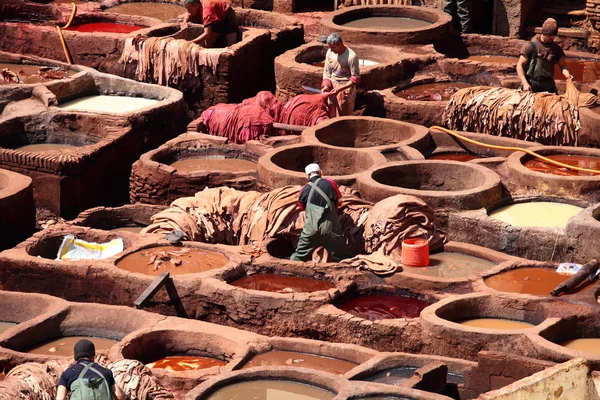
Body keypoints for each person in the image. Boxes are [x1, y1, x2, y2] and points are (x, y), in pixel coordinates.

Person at [290, 163, 352, 262]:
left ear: (307, 176)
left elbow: (302, 207)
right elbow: (339, 202)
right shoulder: (330, 183)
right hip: (330, 227)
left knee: (299, 256)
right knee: (342, 257)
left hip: (310, 228)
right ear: (320, 173)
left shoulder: (304, 189)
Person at [517, 18, 573, 94]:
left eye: (553, 35)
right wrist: (525, 83)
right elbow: (519, 65)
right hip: (531, 84)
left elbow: (563, 65)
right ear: (543, 33)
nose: (551, 37)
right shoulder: (530, 46)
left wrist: (567, 75)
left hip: (548, 86)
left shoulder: (556, 49)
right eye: (548, 35)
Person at [56, 339, 126, 400]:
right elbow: (119, 396)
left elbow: (60, 398)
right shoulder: (106, 372)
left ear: (75, 358)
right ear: (93, 356)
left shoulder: (67, 373)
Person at [321, 33, 361, 118]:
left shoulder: (351, 56)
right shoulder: (329, 53)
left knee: (344, 115)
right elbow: (327, 72)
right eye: (330, 47)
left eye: (333, 47)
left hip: (346, 88)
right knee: (331, 113)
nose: (331, 50)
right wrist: (326, 86)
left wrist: (340, 89)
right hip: (333, 86)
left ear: (340, 44)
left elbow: (355, 78)